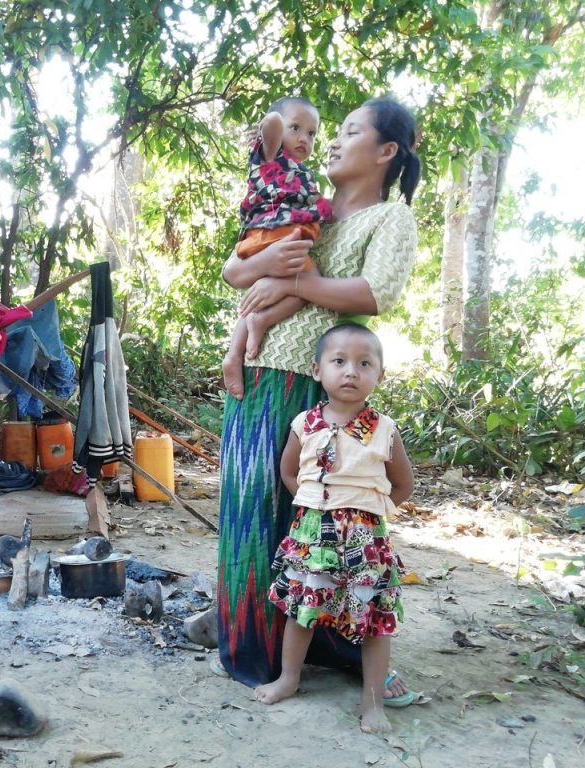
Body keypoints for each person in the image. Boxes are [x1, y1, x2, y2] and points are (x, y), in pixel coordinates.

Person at [216, 97, 422, 703]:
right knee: (251, 508)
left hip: (322, 388)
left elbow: (374, 291)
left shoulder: (389, 219)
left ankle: (330, 646)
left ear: (386, 152)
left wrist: (296, 281)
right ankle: (247, 641)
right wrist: (266, 264)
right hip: (258, 374)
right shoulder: (311, 208)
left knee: (323, 519)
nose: (332, 142)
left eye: (351, 132)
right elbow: (236, 267)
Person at [254, 323, 413, 733]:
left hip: (366, 540)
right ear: (317, 369)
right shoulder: (304, 424)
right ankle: (290, 678)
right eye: (339, 361)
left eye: (364, 364)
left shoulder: (384, 429)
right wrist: (314, 507)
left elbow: (403, 484)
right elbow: (289, 472)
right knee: (303, 611)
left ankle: (372, 702)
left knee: (374, 619)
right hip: (313, 536)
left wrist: (368, 515)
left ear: (379, 375)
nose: (351, 372)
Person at [222, 96, 333, 400]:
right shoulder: (270, 158)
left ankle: (236, 351)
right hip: (270, 234)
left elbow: (315, 205)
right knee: (311, 282)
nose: (303, 138)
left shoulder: (304, 175)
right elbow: (271, 129)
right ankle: (258, 324)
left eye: (311, 133)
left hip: (281, 237)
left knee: (269, 292)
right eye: (295, 128)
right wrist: (274, 123)